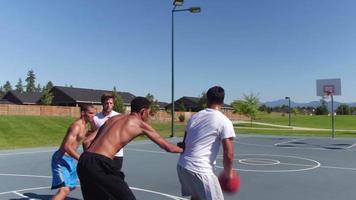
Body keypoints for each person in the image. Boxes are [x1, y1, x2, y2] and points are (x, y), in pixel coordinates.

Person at [77, 96, 183, 200]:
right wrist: (185, 149)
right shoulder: (140, 124)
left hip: (84, 160)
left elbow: (87, 141)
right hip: (100, 164)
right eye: (149, 113)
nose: (149, 116)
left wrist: (91, 163)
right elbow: (169, 147)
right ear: (143, 111)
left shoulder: (113, 118)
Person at [176, 86, 236, 200]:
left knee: (197, 197)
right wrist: (229, 175)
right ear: (222, 102)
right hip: (200, 169)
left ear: (207, 100)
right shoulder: (224, 121)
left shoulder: (194, 117)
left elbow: (183, 144)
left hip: (183, 166)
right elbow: (229, 154)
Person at [51, 104, 95, 200]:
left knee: (71, 186)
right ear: (83, 113)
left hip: (70, 159)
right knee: (65, 190)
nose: (93, 115)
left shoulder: (85, 126)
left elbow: (84, 139)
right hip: (61, 159)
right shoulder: (76, 126)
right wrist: (81, 159)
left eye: (93, 113)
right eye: (90, 113)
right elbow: (67, 146)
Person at [83, 93, 124, 170]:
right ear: (102, 103)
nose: (108, 105)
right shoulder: (95, 118)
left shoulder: (120, 117)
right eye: (106, 103)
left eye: (111, 103)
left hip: (117, 155)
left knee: (116, 179)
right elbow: (92, 136)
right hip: (101, 155)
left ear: (113, 104)